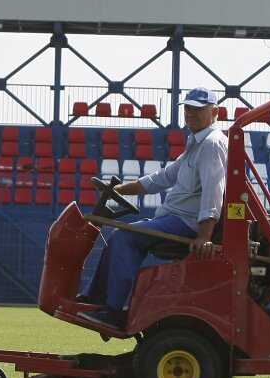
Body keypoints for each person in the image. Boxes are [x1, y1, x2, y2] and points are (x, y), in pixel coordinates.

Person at [77, 87, 228, 330]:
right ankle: (94, 300)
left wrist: (204, 236)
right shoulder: (196, 144)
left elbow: (213, 191)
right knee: (119, 236)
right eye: (188, 108)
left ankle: (114, 312)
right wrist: (117, 190)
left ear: (215, 112)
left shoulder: (211, 144)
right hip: (177, 217)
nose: (190, 114)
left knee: (124, 237)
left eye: (197, 109)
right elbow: (162, 178)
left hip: (186, 222)